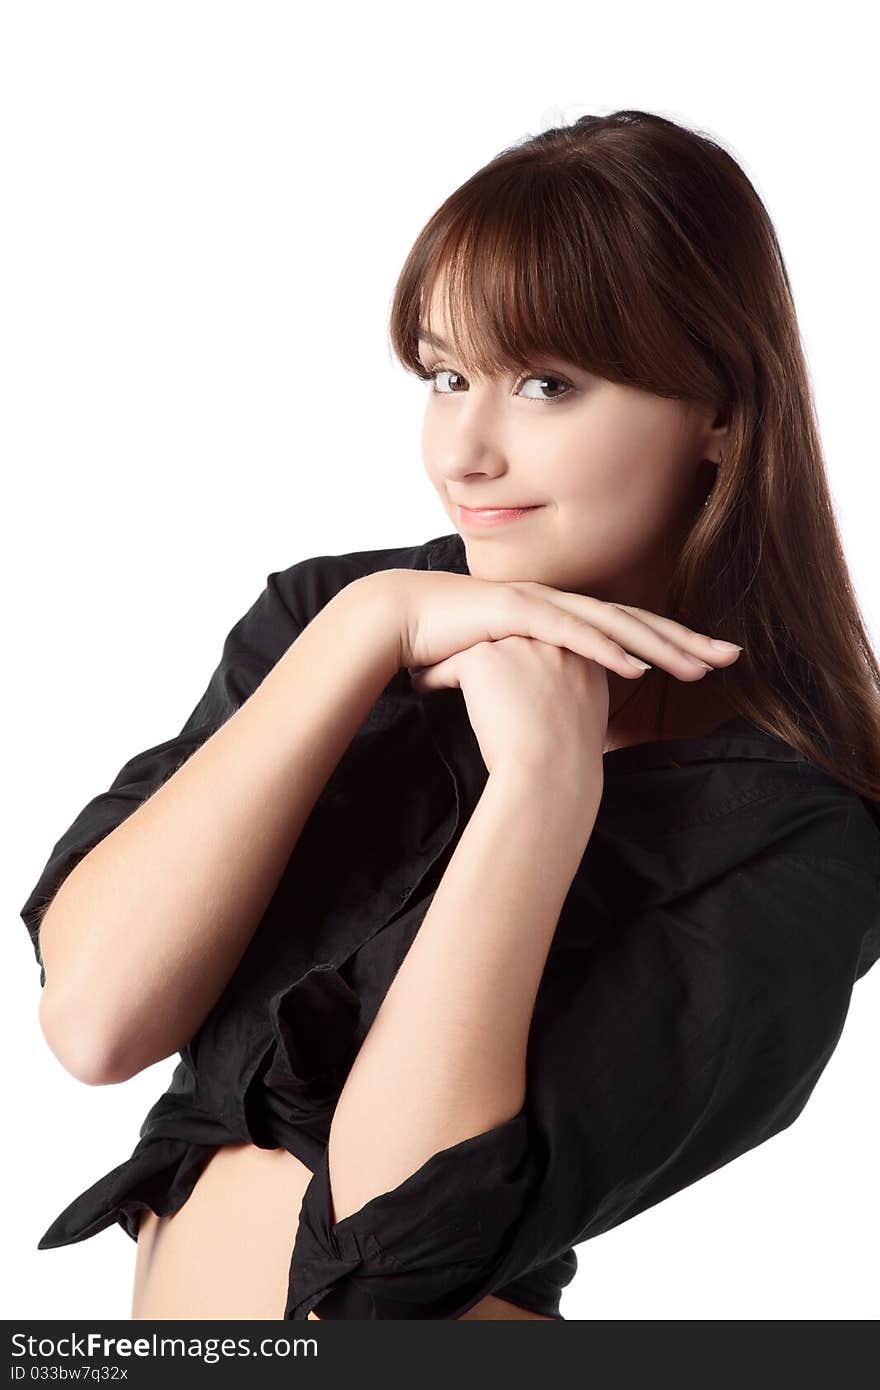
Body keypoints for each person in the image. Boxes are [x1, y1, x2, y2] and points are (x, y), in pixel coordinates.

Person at [21, 109, 880, 1322]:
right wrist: (365, 630)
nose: (462, 450)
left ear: (721, 412)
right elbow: (95, 1016)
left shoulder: (792, 834)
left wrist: (543, 783)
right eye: (444, 376)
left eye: (544, 383)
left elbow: (392, 1238)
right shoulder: (336, 622)